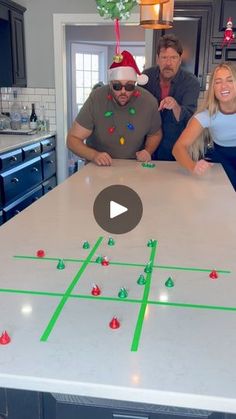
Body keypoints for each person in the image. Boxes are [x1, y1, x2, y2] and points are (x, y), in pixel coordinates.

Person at [67, 50, 162, 166]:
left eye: (129, 86)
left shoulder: (149, 101)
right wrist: (94, 155)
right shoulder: (96, 98)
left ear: (135, 84)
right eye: (117, 86)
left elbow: (155, 134)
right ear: (110, 84)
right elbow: (72, 140)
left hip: (134, 168)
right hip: (98, 168)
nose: (123, 91)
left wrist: (148, 151)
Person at [172, 62, 236, 191]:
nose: (224, 86)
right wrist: (193, 165)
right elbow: (178, 148)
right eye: (218, 82)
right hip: (221, 157)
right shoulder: (206, 116)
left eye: (230, 80)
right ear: (213, 88)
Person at [141, 34, 200, 161]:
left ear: (179, 59)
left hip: (176, 148)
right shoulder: (146, 78)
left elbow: (189, 118)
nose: (168, 63)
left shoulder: (191, 82)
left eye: (173, 58)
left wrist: (175, 106)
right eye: (164, 57)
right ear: (157, 59)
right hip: (148, 148)